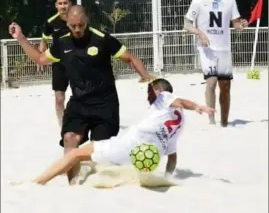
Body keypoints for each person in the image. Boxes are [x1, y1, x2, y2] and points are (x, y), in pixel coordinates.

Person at [8, 5, 155, 184]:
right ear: (67, 23)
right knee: (70, 138)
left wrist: (147, 77)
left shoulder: (102, 39)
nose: (77, 29)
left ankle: (86, 168)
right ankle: (73, 183)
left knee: (99, 150)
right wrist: (21, 38)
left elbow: (130, 58)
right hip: (79, 102)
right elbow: (40, 59)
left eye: (81, 25)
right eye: (73, 26)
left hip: (105, 104)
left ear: (87, 21)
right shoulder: (62, 43)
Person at [32, 78, 214, 185]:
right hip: (142, 159)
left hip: (129, 144)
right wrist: (166, 178)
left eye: (150, 91)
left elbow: (181, 101)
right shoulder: (179, 124)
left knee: (76, 153)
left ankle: (38, 182)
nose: (149, 96)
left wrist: (198, 105)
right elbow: (172, 158)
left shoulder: (164, 97)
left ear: (159, 91)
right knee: (98, 162)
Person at [184, 0, 248, 127]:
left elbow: (236, 24)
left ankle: (225, 123)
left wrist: (242, 25)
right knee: (211, 82)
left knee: (225, 86)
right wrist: (200, 33)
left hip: (224, 48)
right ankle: (211, 120)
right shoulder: (199, 1)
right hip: (207, 49)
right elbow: (186, 24)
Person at [38, 0, 72, 127]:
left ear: (70, 4)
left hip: (78, 64)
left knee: (85, 96)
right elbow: (43, 41)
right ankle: (63, 126)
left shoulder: (77, 18)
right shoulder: (51, 22)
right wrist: (40, 59)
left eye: (65, 3)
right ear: (56, 6)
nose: (63, 6)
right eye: (60, 3)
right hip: (59, 64)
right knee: (59, 98)